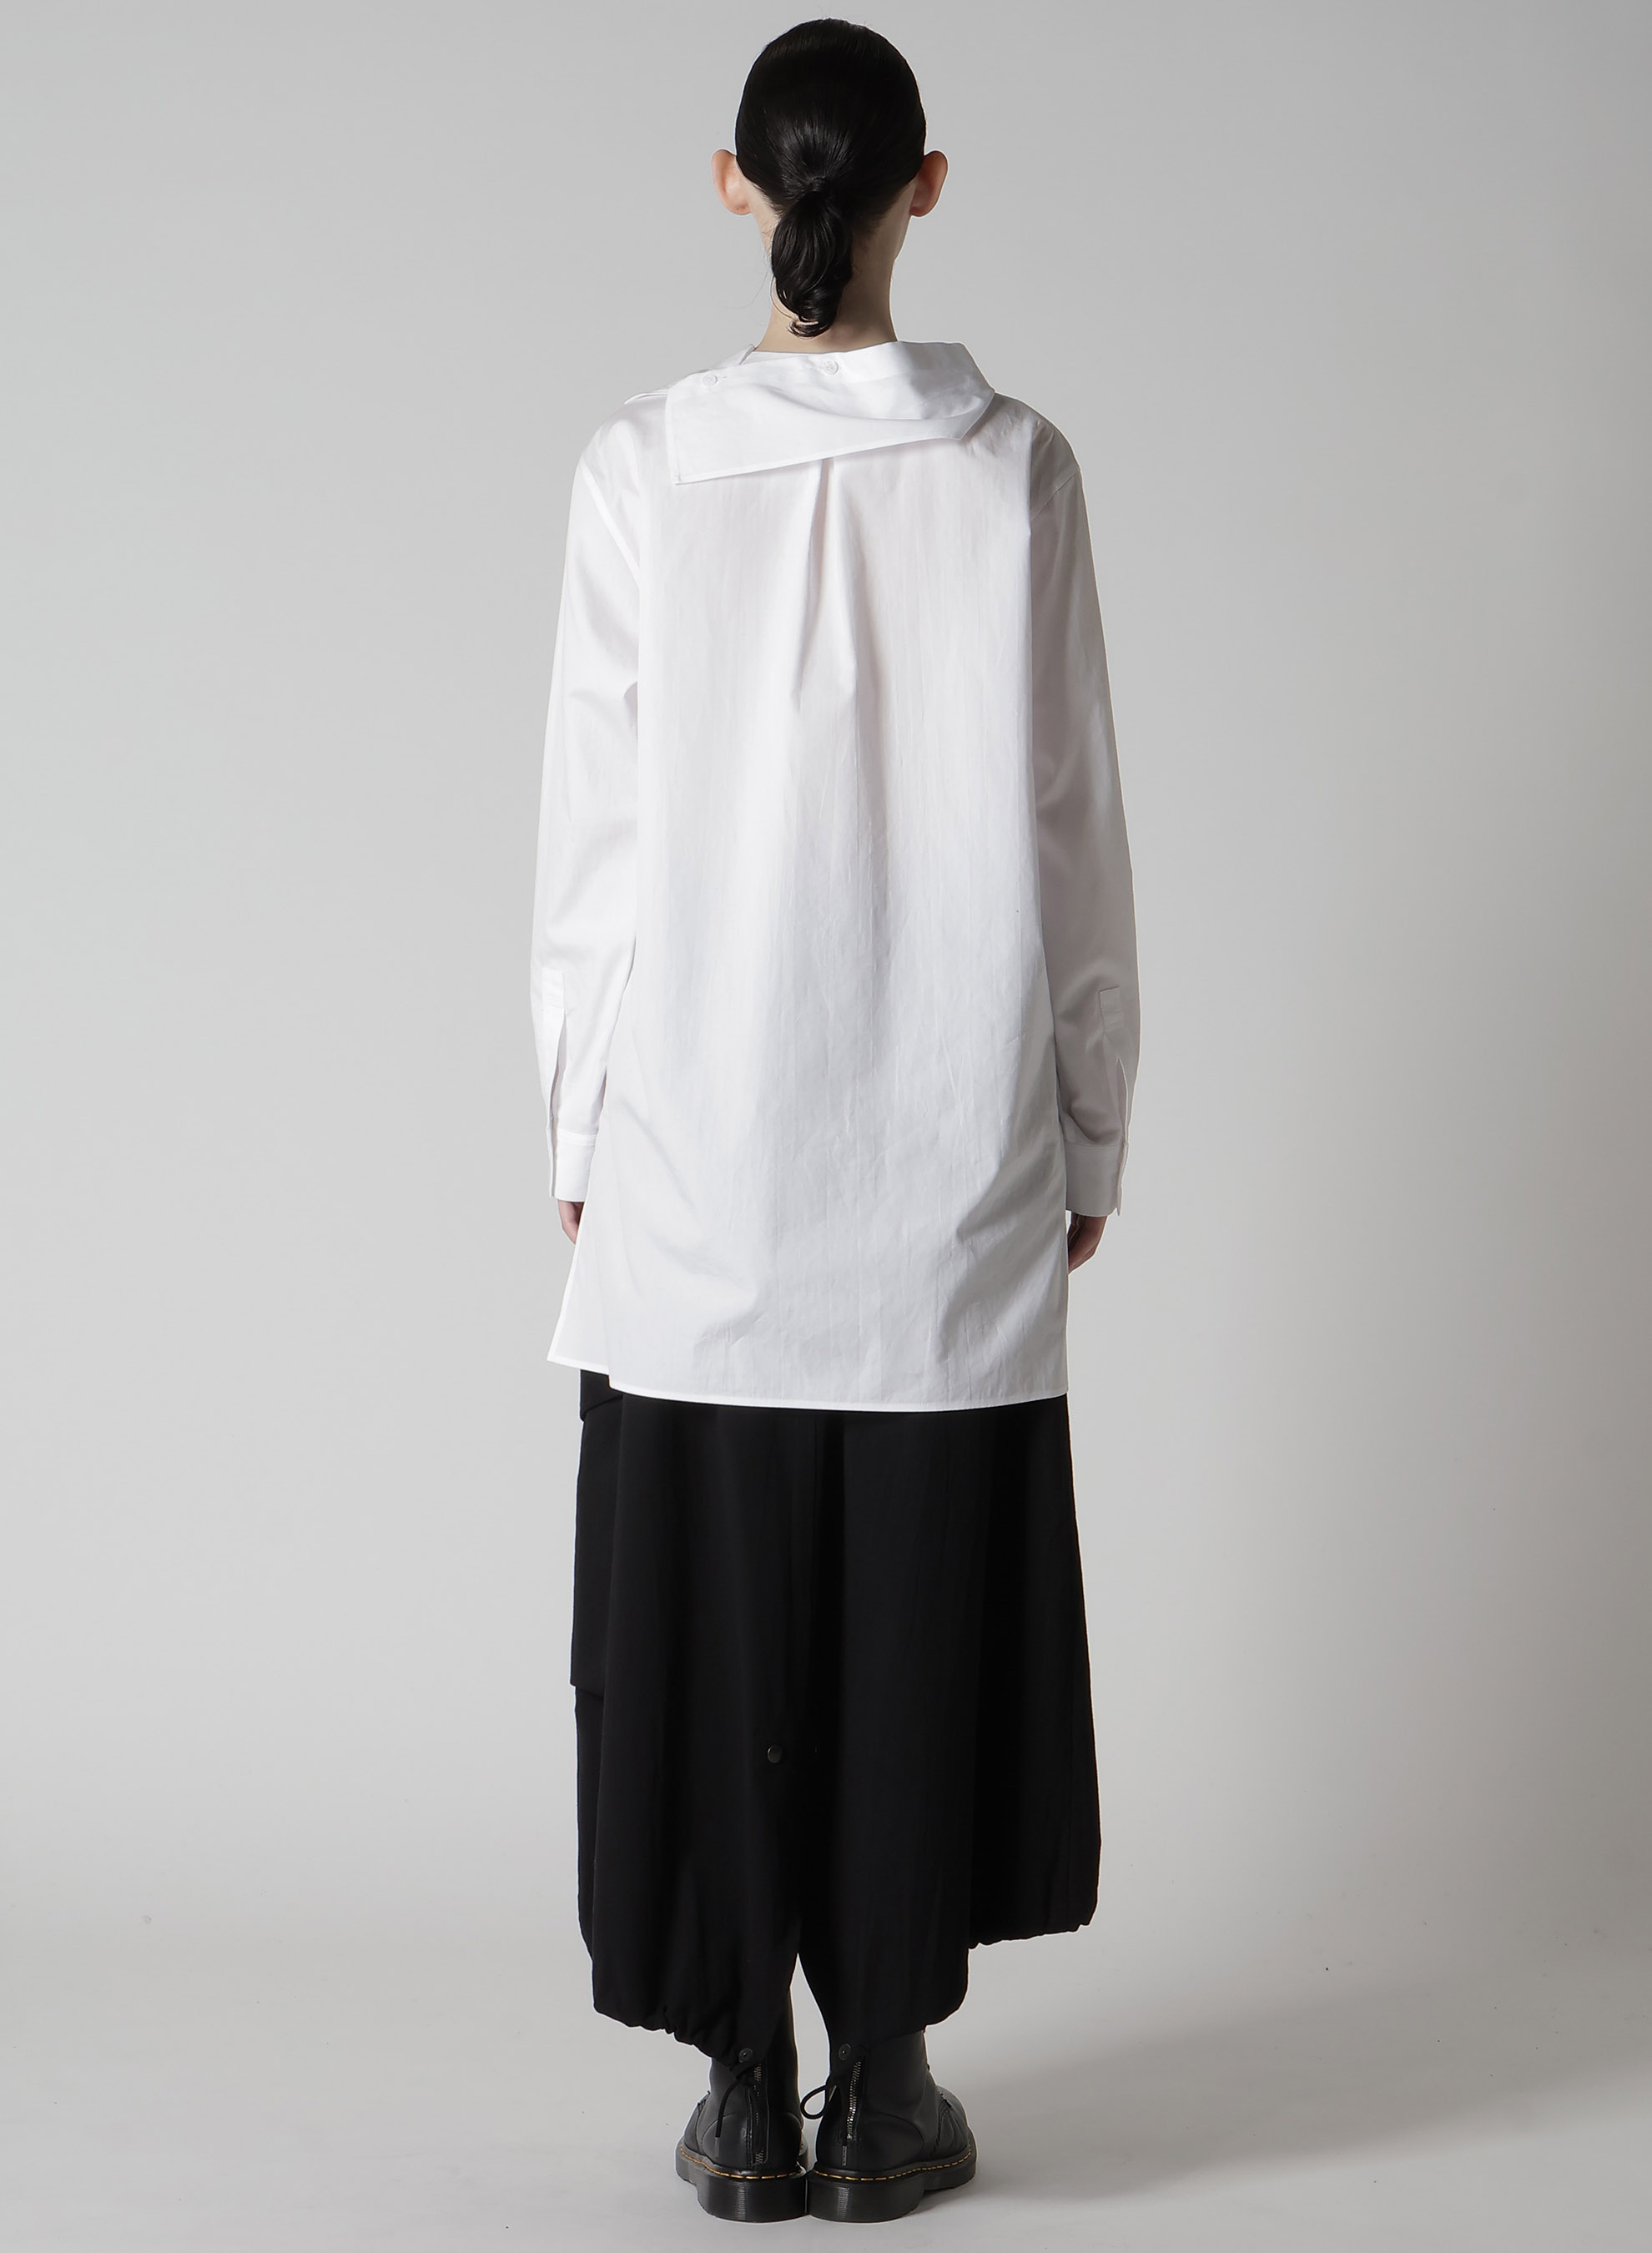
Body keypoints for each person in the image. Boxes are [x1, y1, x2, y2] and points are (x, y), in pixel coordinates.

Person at [530, 17, 1138, 2226]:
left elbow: (593, 852)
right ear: (922, 188)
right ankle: (884, 2087)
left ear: (733, 186)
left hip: (700, 1156)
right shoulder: (1015, 469)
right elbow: (1071, 825)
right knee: (917, 1617)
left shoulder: (639, 467)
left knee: (707, 1623)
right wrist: (1087, 1118)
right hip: (943, 1149)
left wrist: (578, 1126)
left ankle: (741, 2094)